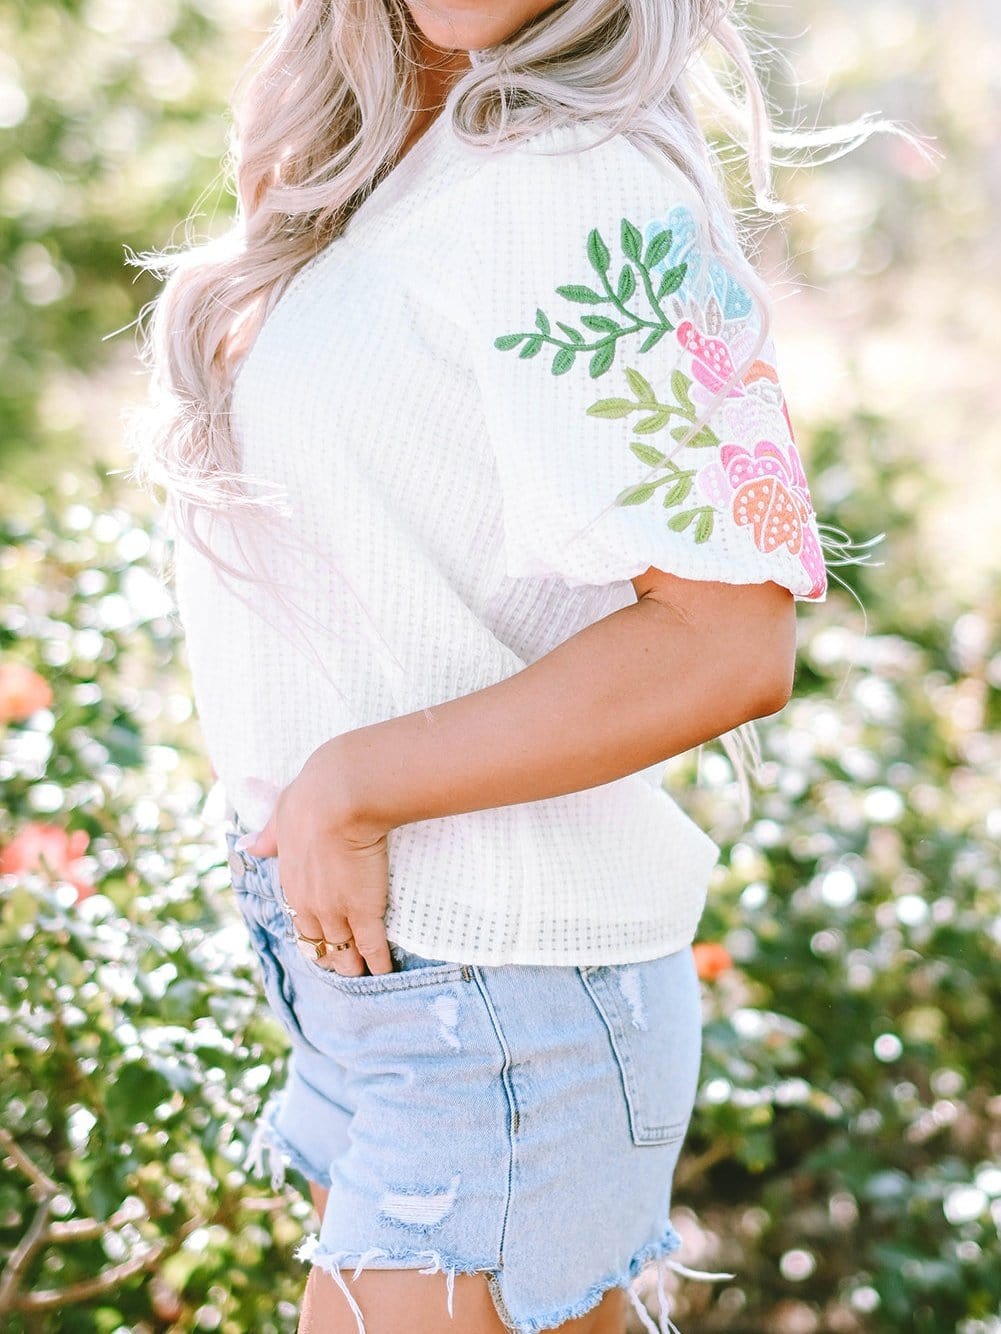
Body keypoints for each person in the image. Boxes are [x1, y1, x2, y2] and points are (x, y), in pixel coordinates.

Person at [127, 1, 857, 1331]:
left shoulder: (575, 181)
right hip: (394, 975)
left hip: (495, 998)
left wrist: (349, 787)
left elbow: (728, 637)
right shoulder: (396, 147)